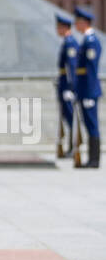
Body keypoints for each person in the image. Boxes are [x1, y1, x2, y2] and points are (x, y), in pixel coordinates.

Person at [73, 5, 101, 169]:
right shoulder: (86, 41)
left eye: (78, 22)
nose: (76, 26)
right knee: (88, 124)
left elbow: (90, 70)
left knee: (92, 124)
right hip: (84, 90)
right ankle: (91, 159)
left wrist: (89, 94)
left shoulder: (91, 41)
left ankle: (94, 160)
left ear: (84, 23)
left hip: (89, 91)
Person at [55, 13, 79, 159]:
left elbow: (71, 66)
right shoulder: (66, 42)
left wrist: (70, 87)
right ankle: (70, 147)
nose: (57, 30)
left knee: (72, 119)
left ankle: (73, 148)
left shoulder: (70, 43)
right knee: (67, 118)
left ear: (64, 28)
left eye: (58, 27)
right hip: (63, 83)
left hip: (67, 85)